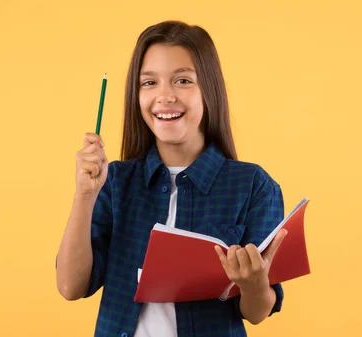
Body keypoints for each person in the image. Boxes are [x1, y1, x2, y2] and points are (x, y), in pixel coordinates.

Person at [55, 20, 288, 337]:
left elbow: (256, 312)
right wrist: (85, 195)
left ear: (209, 88)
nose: (164, 96)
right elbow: (70, 286)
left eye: (182, 80)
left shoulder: (253, 186)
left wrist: (254, 283)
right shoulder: (116, 182)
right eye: (149, 83)